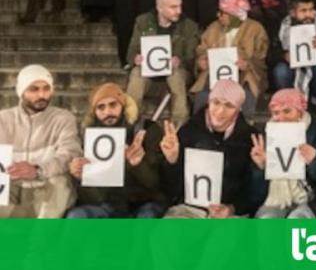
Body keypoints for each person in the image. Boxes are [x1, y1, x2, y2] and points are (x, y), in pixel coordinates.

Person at [161, 80, 262, 218]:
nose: (220, 111)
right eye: (216, 102)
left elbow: (253, 194)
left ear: (238, 109)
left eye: (229, 106)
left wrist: (259, 168)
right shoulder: (188, 131)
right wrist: (172, 160)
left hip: (229, 215)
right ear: (208, 101)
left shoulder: (251, 138)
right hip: (188, 210)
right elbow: (171, 188)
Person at [65, 83, 167, 218]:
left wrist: (136, 165)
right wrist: (81, 177)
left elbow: (156, 184)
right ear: (94, 112)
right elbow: (94, 199)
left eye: (113, 105)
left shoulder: (147, 130)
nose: (108, 112)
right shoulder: (91, 138)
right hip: (109, 205)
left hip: (145, 202)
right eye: (101, 107)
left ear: (123, 106)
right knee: (76, 216)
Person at [251, 89, 316, 218]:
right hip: (275, 201)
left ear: (300, 112)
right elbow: (253, 193)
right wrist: (261, 167)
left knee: (297, 220)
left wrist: (315, 161)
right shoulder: (266, 138)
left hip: (311, 201)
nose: (281, 118)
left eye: (287, 111)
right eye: (276, 113)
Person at [0, 65, 81, 218]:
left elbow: (69, 155)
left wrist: (37, 170)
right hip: (12, 189)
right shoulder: (3, 119)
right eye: (34, 89)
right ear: (21, 92)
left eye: (46, 88)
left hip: (47, 189)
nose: (42, 95)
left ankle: (41, 241)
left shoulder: (63, 118)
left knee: (60, 182)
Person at [125, 0, 199, 127]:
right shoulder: (142, 22)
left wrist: (179, 61)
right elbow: (131, 52)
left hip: (176, 76)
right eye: (173, 7)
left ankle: (179, 124)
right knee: (136, 73)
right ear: (159, 7)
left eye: (180, 6)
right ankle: (130, 121)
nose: (179, 10)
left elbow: (191, 58)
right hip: (149, 76)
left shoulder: (189, 26)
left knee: (175, 74)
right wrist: (136, 58)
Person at [190, 0, 269, 116]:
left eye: (222, 13)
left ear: (234, 15)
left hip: (245, 76)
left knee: (246, 93)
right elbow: (201, 50)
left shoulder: (255, 29)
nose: (218, 16)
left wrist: (248, 64)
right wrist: (201, 62)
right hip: (214, 74)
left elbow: (261, 57)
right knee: (203, 95)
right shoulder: (213, 27)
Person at [270, 0, 316, 113]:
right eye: (303, 11)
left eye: (311, 10)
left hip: (315, 69)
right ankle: (289, 103)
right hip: (291, 68)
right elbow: (270, 56)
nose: (308, 14)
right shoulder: (281, 28)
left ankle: (314, 104)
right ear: (293, 12)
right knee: (280, 71)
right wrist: (284, 56)